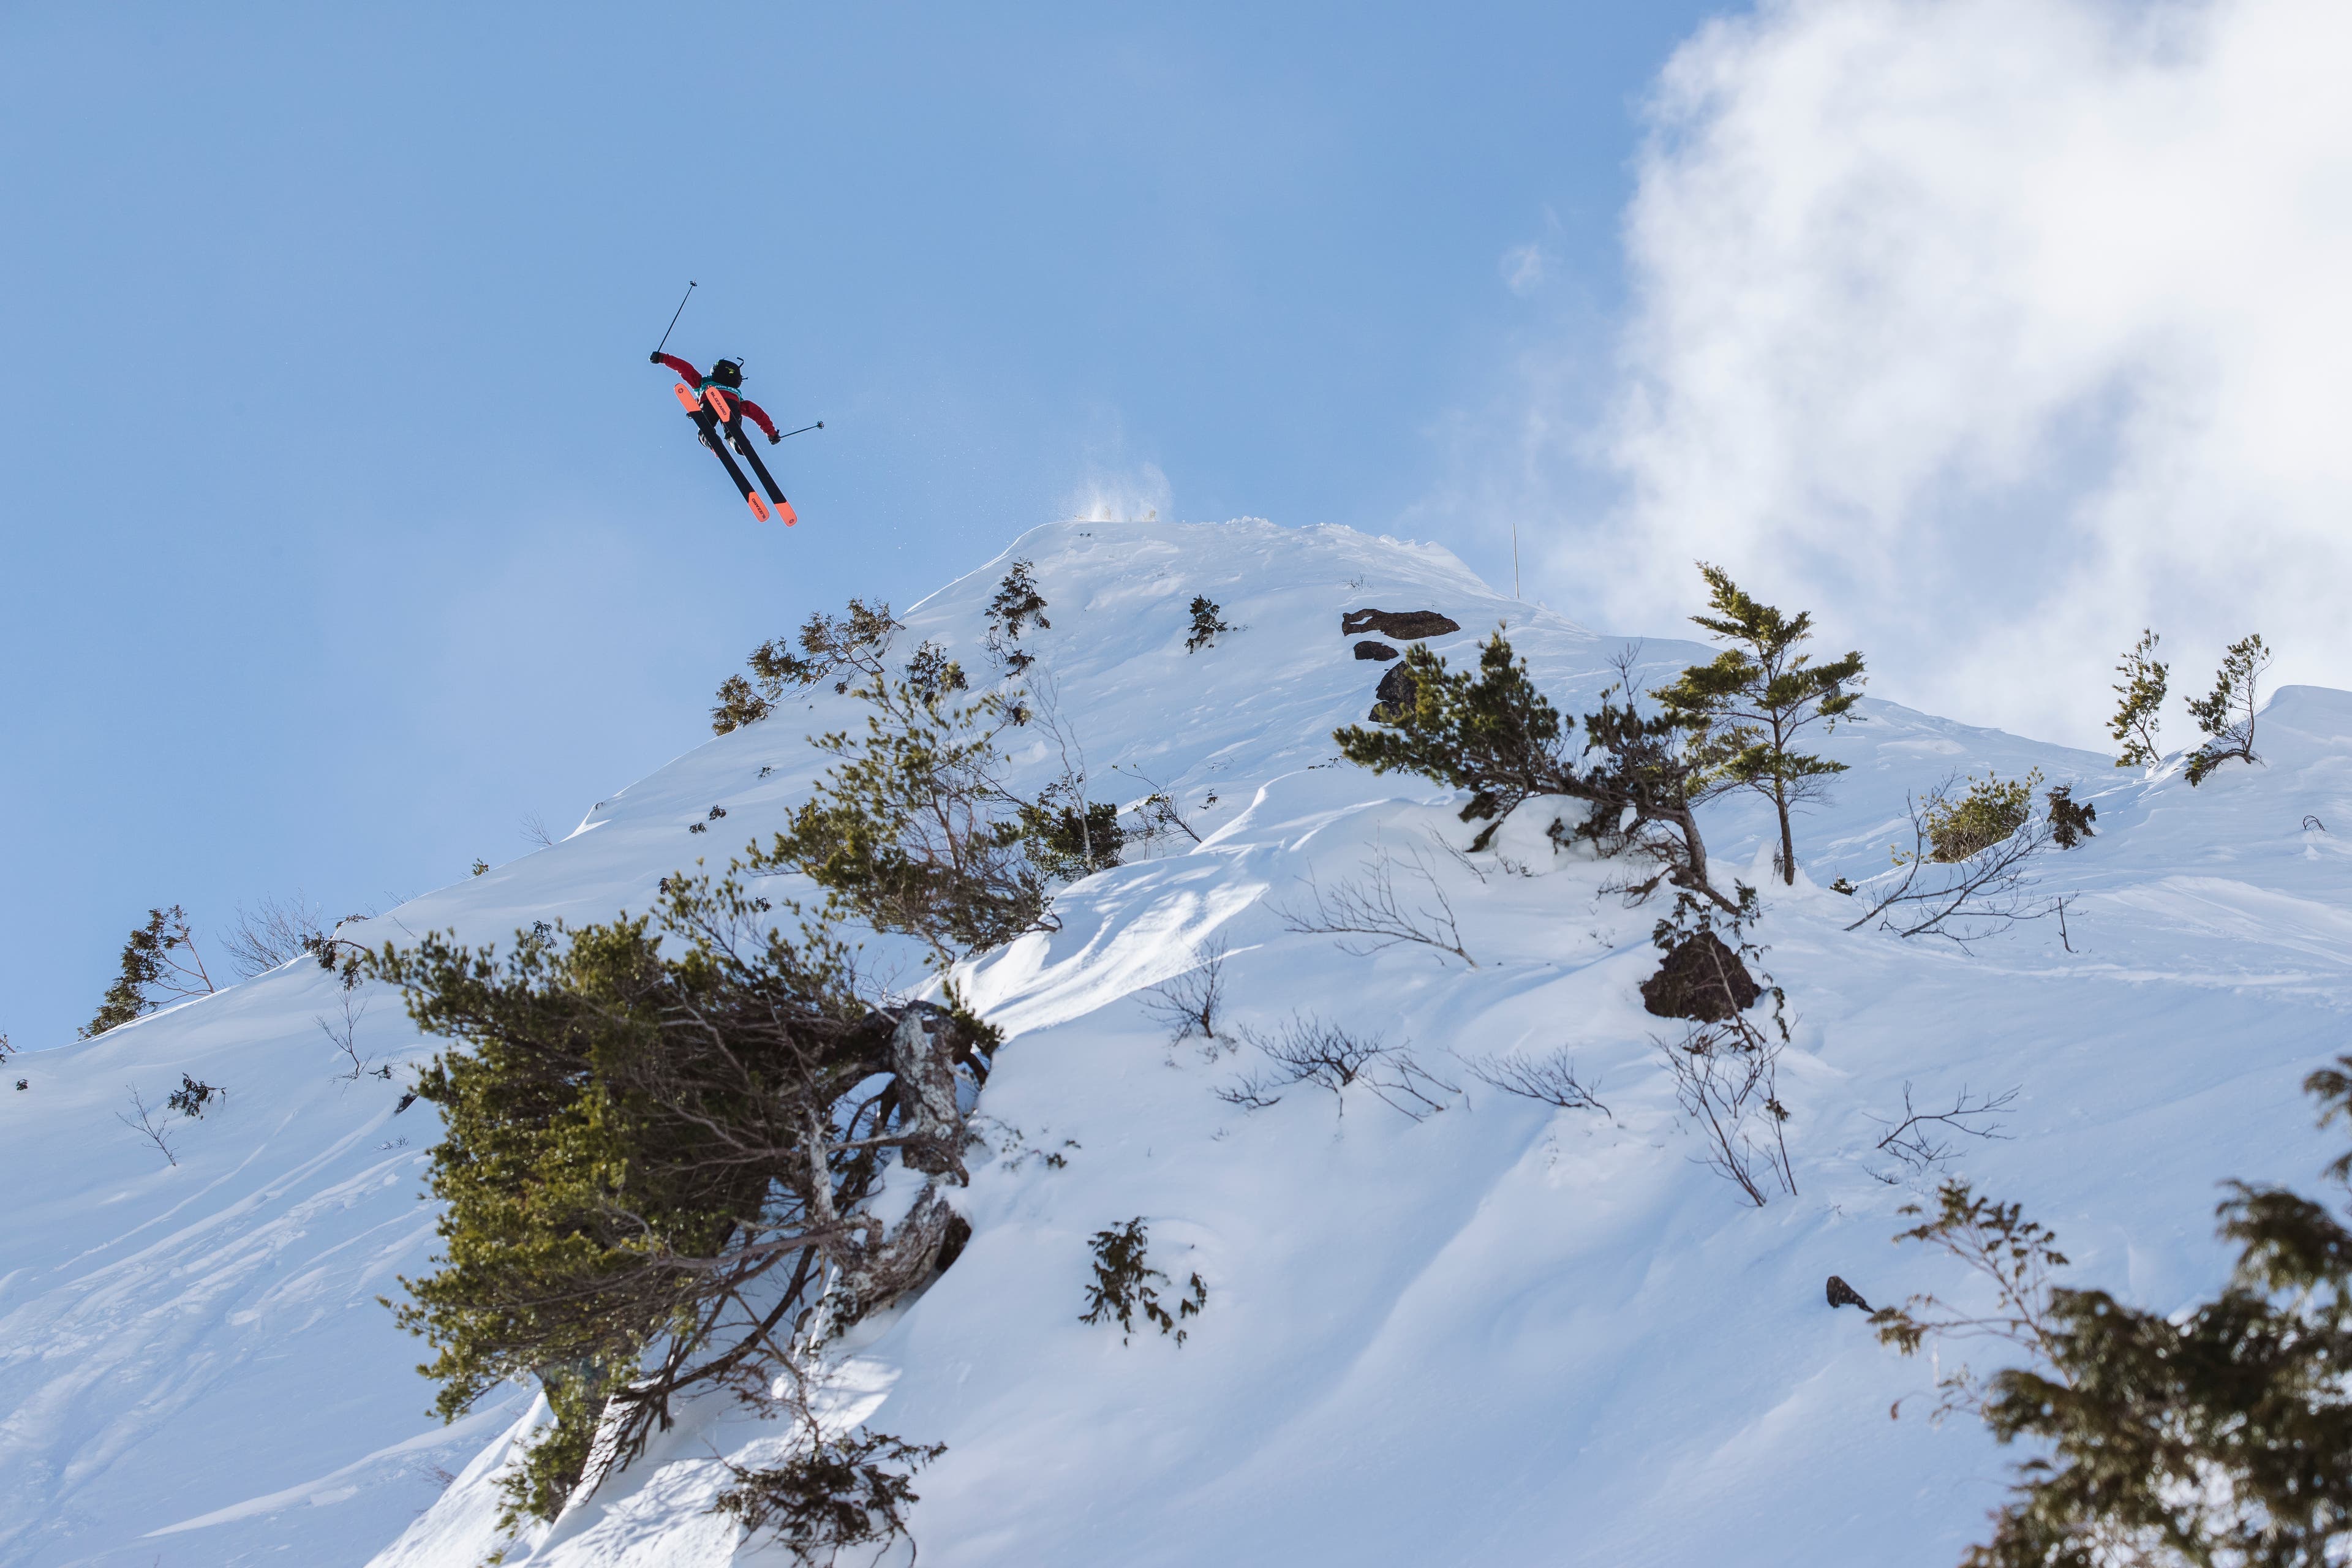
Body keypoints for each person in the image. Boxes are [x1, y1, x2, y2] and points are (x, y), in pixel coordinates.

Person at [649, 352, 782, 443]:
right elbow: (757, 413)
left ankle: (710, 441)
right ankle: (736, 442)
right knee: (732, 431)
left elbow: (685, 369)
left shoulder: (703, 382)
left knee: (705, 430)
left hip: (708, 399)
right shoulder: (737, 395)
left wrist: (663, 358)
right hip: (732, 403)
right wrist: (771, 433)